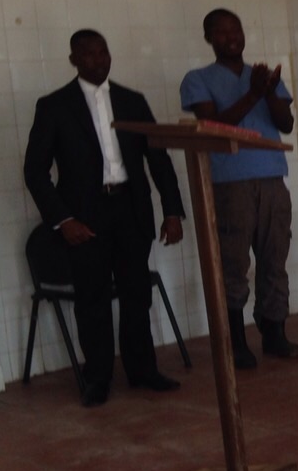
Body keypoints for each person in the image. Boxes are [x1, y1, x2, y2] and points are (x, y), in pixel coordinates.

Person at [23, 29, 186, 407]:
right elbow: (35, 171)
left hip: (131, 209)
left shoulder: (132, 101)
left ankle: (142, 370)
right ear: (73, 60)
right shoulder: (54, 106)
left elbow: (157, 159)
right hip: (84, 216)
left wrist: (172, 211)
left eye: (104, 52)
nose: (99, 60)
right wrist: (63, 220)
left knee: (137, 295)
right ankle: (97, 378)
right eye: (89, 54)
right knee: (92, 299)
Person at [180, 8, 298, 369]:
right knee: (233, 264)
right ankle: (236, 341)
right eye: (222, 32)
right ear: (208, 39)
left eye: (236, 30)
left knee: (275, 259)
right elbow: (214, 125)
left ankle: (274, 332)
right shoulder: (197, 78)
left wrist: (269, 92)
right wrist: (253, 94)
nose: (231, 37)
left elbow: (286, 123)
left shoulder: (262, 76)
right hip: (229, 184)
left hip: (272, 179)